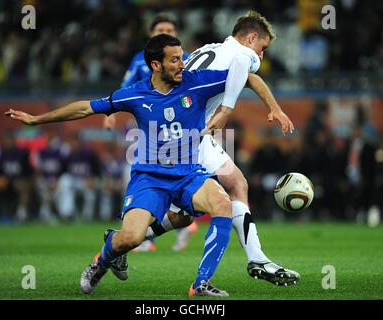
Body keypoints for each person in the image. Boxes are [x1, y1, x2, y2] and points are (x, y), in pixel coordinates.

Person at [5, 34, 252, 297]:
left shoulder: (197, 82)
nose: (183, 64)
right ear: (156, 65)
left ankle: (201, 284)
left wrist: (258, 108)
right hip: (150, 177)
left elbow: (246, 75)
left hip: (189, 173)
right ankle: (103, 258)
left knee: (222, 204)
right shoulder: (135, 94)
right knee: (132, 238)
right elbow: (85, 109)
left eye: (183, 58)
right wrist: (36, 120)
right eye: (175, 59)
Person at [119, 10, 300, 287]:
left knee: (189, 214)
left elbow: (249, 78)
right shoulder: (242, 53)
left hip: (179, 134)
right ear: (251, 38)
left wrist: (274, 108)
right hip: (193, 136)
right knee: (232, 188)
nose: (260, 57)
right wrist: (227, 108)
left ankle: (123, 243)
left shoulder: (210, 49)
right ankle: (256, 260)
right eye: (262, 48)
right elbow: (244, 63)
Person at [106, 13, 195, 252]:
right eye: (158, 30)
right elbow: (123, 91)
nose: (163, 33)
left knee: (177, 178)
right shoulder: (139, 60)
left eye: (168, 30)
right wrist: (112, 113)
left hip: (183, 133)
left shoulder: (187, 61)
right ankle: (162, 228)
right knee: (147, 178)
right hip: (149, 130)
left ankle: (160, 230)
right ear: (150, 35)